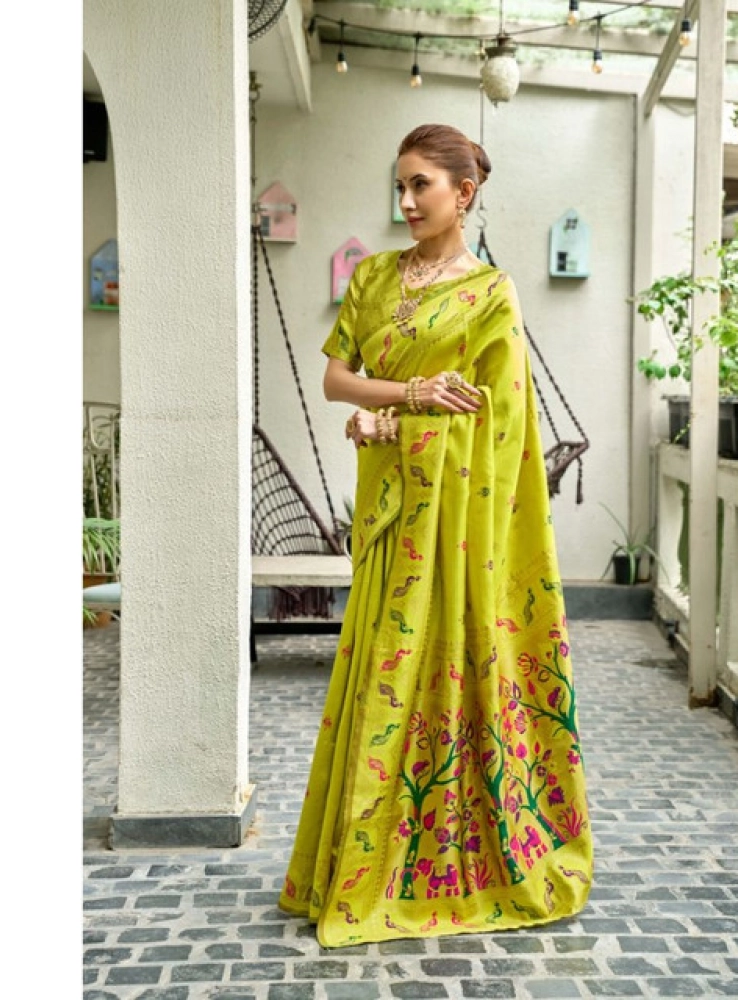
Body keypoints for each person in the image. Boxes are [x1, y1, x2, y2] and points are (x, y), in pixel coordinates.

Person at [278, 123, 592, 947]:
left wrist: (387, 421)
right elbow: (337, 379)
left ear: (464, 192)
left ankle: (436, 862)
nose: (408, 200)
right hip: (389, 513)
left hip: (453, 523)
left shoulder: (491, 295)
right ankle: (360, 860)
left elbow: (497, 420)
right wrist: (407, 400)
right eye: (401, 185)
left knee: (431, 666)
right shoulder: (375, 276)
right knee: (379, 672)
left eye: (422, 184)